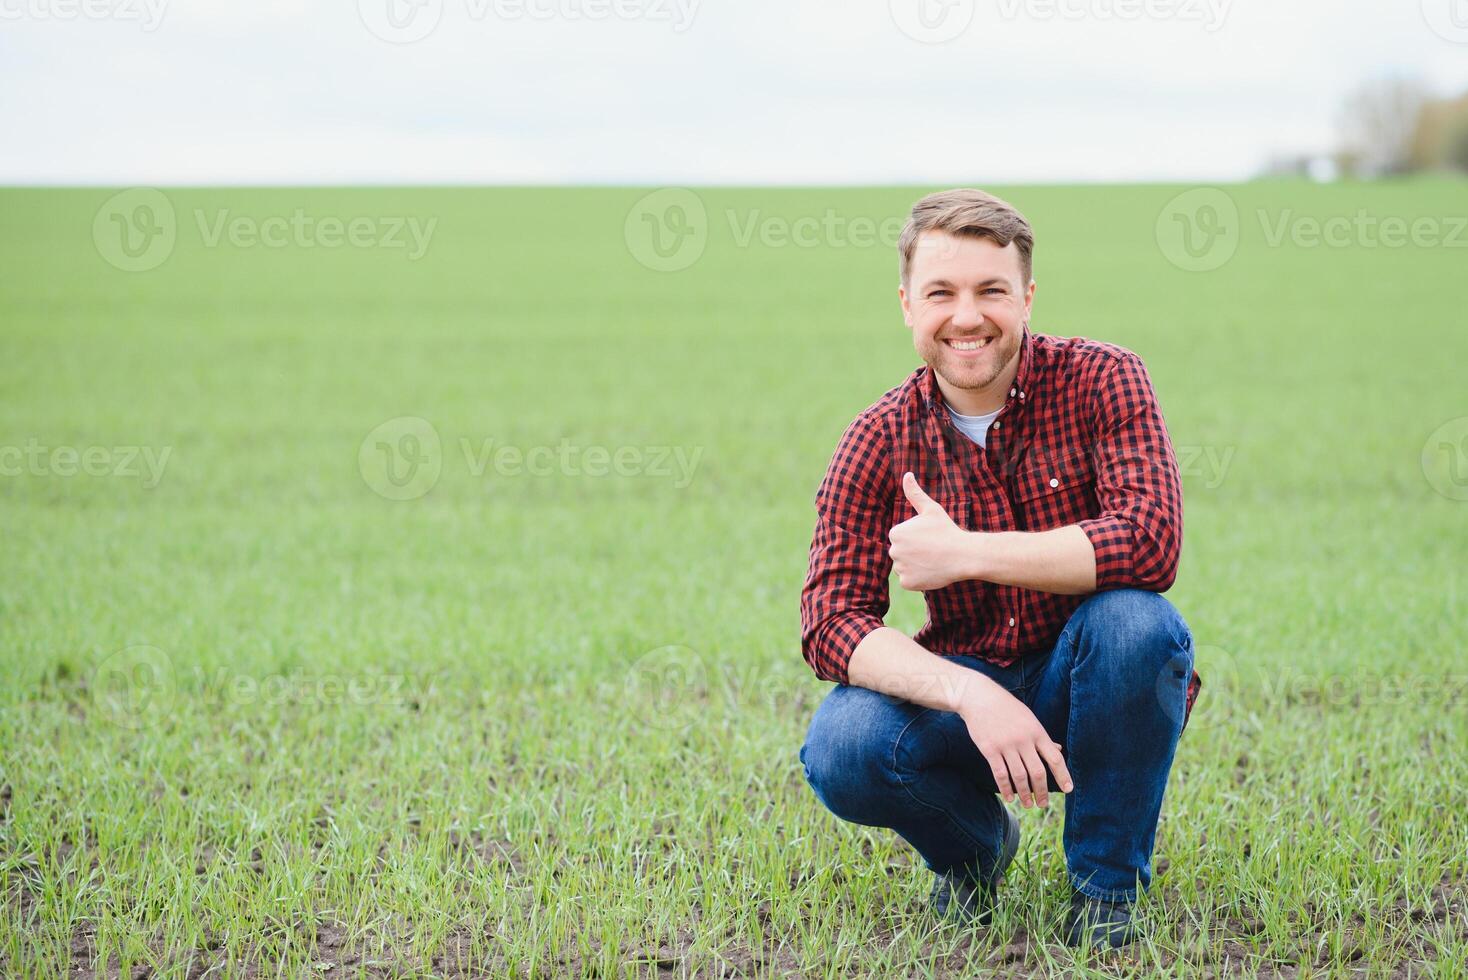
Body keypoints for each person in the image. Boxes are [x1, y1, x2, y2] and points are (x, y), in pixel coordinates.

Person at [797, 188, 1202, 949]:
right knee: (842, 746)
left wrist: (966, 551)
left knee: (1136, 623)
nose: (967, 316)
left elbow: (1149, 541)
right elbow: (830, 622)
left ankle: (1106, 891)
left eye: (991, 290)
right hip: (963, 698)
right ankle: (978, 851)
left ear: (1027, 296)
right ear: (907, 305)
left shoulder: (1104, 380)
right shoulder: (877, 437)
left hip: (1088, 685)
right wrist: (970, 692)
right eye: (941, 292)